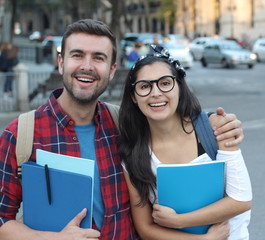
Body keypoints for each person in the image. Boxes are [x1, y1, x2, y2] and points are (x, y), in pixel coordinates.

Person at [0, 19, 245, 240]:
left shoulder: (124, 124)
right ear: (61, 62)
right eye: (77, 55)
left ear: (112, 70)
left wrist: (216, 122)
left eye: (98, 58)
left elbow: (172, 117)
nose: (87, 66)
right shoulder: (21, 134)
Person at [118, 46, 252, 240]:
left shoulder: (214, 128)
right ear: (134, 97)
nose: (155, 93)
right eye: (145, 86)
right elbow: (145, 228)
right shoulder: (132, 153)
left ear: (179, 86)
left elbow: (241, 200)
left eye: (165, 83)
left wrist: (179, 221)